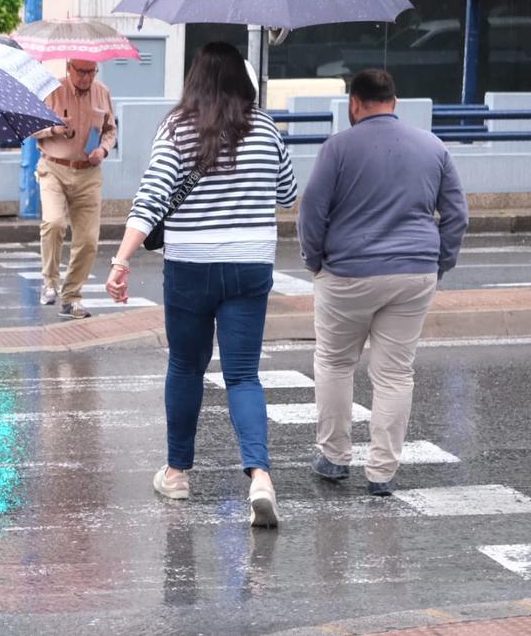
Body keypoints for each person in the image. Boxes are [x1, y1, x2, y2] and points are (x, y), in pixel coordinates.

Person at [105, 42, 297, 527]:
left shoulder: (177, 129)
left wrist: (122, 259)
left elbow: (152, 197)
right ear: (243, 82)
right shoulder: (266, 128)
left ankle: (177, 473)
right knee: (243, 375)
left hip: (192, 265)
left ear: (196, 81)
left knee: (187, 368)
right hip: (250, 265)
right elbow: (289, 192)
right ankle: (260, 476)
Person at [299, 69, 468, 497]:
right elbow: (457, 215)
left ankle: (335, 457)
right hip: (414, 272)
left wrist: (315, 262)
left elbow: (312, 213)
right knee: (394, 374)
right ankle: (382, 472)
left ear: (354, 104)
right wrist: (438, 263)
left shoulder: (337, 148)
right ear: (395, 102)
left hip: (347, 273)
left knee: (335, 363)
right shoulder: (434, 147)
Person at [32, 58, 117, 320]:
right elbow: (32, 128)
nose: (86, 78)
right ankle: (49, 282)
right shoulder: (52, 90)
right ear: (69, 68)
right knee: (54, 222)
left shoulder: (102, 92)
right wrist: (53, 128)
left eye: (92, 72)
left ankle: (72, 297)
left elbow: (110, 130)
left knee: (89, 239)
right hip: (53, 167)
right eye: (81, 72)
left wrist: (102, 149)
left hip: (88, 172)